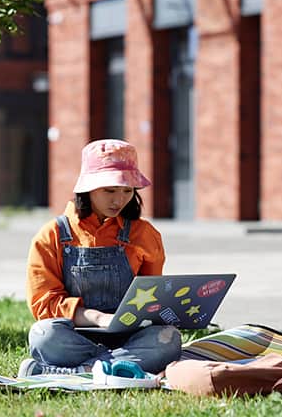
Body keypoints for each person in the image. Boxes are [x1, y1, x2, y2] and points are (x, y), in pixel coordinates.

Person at [18, 139, 182, 377]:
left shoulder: (145, 234)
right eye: (110, 190)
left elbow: (151, 294)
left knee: (169, 338)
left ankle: (78, 371)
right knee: (43, 334)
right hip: (74, 335)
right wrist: (97, 317)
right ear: (87, 189)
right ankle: (116, 368)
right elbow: (44, 304)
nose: (119, 200)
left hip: (129, 335)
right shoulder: (50, 235)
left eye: (127, 191)